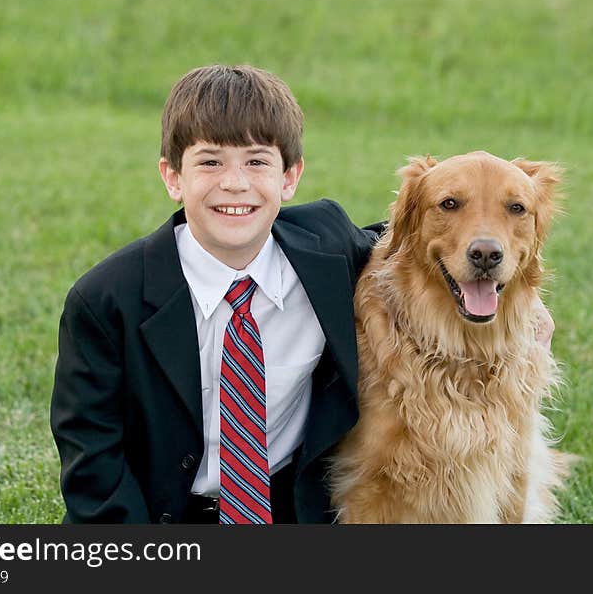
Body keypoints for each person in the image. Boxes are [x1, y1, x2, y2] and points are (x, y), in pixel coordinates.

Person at [50, 64, 555, 524]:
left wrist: (527, 306)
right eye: (209, 162)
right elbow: (96, 471)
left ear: (290, 177)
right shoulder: (104, 302)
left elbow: (420, 241)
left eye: (256, 162)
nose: (234, 184)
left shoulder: (328, 250)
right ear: (172, 177)